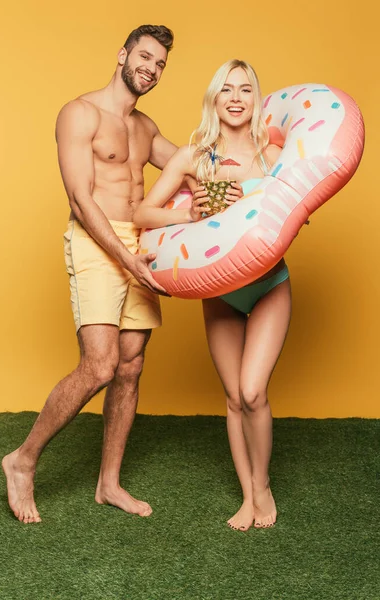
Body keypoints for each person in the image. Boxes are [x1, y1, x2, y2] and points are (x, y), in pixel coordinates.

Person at [2, 24, 182, 524]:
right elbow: (81, 199)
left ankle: (109, 483)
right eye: (144, 56)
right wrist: (126, 261)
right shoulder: (79, 114)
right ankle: (22, 460)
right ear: (123, 54)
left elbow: (191, 167)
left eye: (160, 63)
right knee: (100, 364)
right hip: (96, 242)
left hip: (138, 245)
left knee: (130, 365)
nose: (150, 68)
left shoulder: (145, 128)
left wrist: (263, 180)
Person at [134, 59, 295, 531]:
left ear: (255, 97)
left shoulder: (274, 151)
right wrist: (187, 214)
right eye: (227, 89)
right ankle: (247, 496)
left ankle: (262, 488)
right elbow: (143, 211)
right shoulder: (194, 157)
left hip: (269, 285)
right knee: (232, 396)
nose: (236, 98)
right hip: (221, 290)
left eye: (245, 89)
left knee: (252, 390)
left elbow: (297, 197)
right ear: (214, 99)